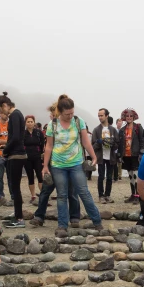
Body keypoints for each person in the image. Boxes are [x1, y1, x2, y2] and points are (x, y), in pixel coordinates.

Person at [43, 94, 103, 237]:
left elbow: (85, 142)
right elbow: (49, 146)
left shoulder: (78, 121)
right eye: (67, 114)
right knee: (62, 195)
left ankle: (97, 222)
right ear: (60, 112)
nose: (70, 116)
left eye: (72, 113)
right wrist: (45, 166)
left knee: (84, 192)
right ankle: (62, 226)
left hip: (76, 163)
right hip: (58, 165)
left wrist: (93, 156)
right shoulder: (53, 125)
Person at [28, 102, 81, 228]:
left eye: (53, 114)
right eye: (51, 114)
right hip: (53, 164)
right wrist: (45, 164)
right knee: (46, 190)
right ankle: (39, 216)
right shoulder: (51, 127)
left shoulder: (71, 125)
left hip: (69, 163)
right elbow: (48, 146)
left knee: (71, 191)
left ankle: (74, 217)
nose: (52, 117)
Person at [0, 93, 26, 228]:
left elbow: (16, 137)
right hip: (15, 154)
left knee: (15, 187)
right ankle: (17, 213)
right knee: (14, 185)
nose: (3, 114)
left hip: (16, 155)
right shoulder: (16, 115)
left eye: (1, 110)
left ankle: (19, 218)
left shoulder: (14, 115)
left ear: (5, 105)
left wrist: (5, 150)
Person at [116, 107, 144, 203]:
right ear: (124, 117)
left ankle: (138, 195)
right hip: (126, 155)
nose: (129, 117)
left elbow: (143, 140)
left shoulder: (138, 127)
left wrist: (142, 152)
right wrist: (119, 155)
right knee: (130, 175)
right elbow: (120, 143)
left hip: (135, 155)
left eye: (131, 116)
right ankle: (133, 194)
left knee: (136, 175)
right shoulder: (122, 130)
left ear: (134, 117)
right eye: (127, 116)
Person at [92, 108, 119, 203]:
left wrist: (111, 143)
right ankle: (101, 195)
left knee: (109, 177)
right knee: (101, 176)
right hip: (101, 157)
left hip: (111, 156)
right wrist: (99, 142)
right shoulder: (96, 130)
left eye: (101, 115)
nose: (100, 117)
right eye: (98, 115)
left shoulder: (113, 130)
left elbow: (117, 144)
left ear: (106, 116)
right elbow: (93, 146)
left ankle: (108, 195)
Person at [22, 115, 45, 204]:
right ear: (25, 123)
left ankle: (43, 195)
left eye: (31, 121)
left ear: (34, 122)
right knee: (30, 177)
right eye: (28, 121)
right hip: (27, 158)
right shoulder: (23, 133)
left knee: (40, 176)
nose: (30, 123)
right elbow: (21, 144)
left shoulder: (39, 133)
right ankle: (33, 196)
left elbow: (42, 144)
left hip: (37, 157)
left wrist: (42, 154)